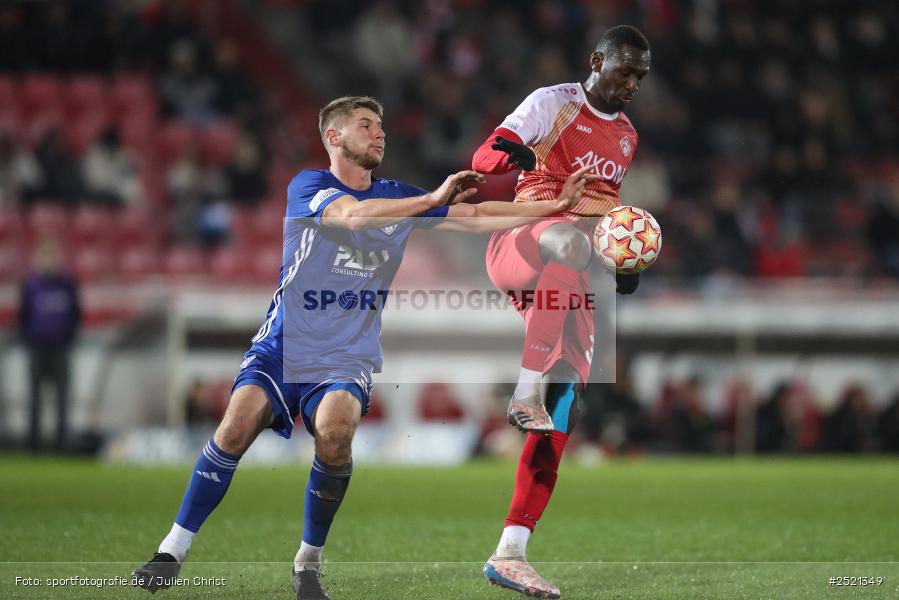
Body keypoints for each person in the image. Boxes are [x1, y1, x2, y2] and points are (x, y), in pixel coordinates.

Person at [132, 95, 595, 600]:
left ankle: (308, 563)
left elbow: (477, 213)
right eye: (366, 125)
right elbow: (352, 218)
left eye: (381, 126)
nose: (380, 133)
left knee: (335, 432)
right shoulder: (309, 186)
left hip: (346, 356)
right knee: (235, 426)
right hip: (284, 346)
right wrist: (428, 200)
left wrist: (552, 205)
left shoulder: (399, 194)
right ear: (334, 137)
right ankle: (171, 551)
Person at [471, 25, 652, 598]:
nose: (631, 84)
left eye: (640, 77)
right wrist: (515, 154)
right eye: (625, 71)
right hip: (523, 239)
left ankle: (512, 551)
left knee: (566, 403)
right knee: (568, 242)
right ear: (597, 60)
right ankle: (524, 390)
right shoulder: (554, 103)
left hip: (569, 277)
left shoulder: (627, 138)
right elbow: (485, 155)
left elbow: (604, 222)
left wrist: (626, 263)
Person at [19, 238, 81, 451]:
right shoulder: (31, 284)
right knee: (34, 398)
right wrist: (29, 340)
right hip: (37, 348)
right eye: (45, 256)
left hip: (60, 348)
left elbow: (76, 314)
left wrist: (69, 339)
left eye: (52, 256)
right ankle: (33, 444)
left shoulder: (67, 284)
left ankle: (61, 444)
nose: (49, 260)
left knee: (62, 398)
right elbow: (23, 315)